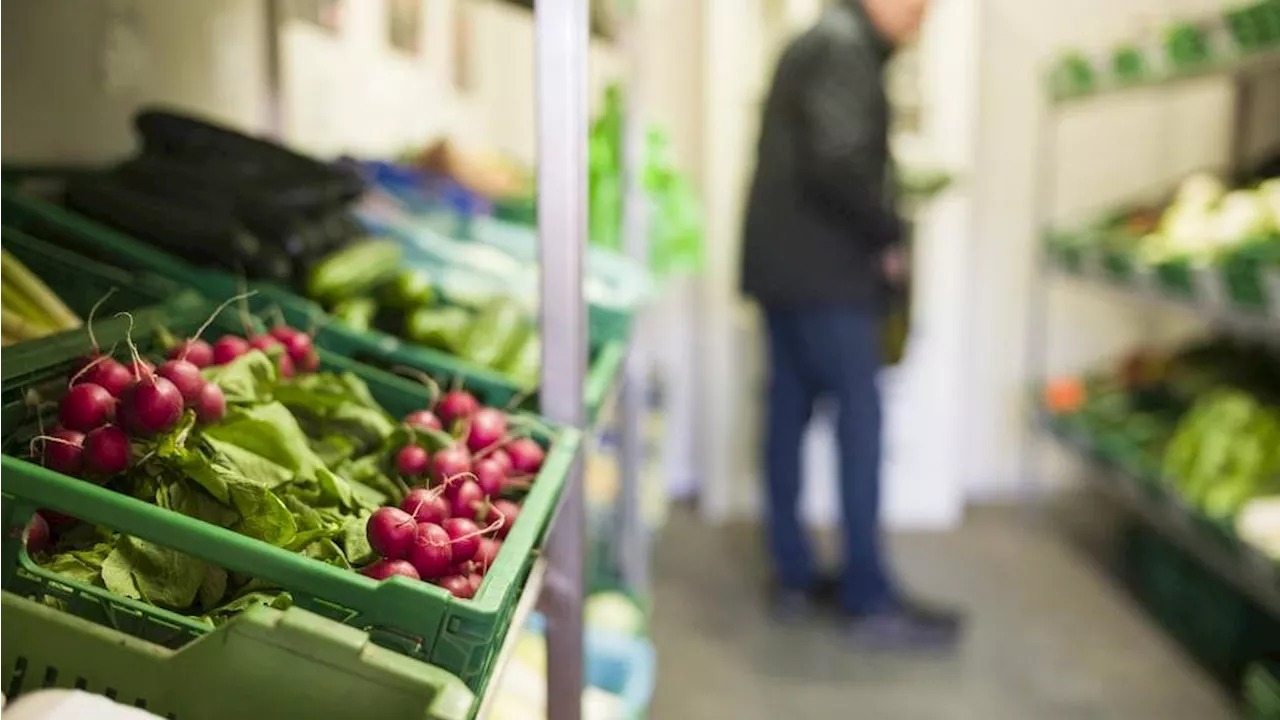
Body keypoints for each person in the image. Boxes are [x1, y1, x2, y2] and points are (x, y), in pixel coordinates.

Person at [740, 0, 961, 650]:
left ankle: (795, 577)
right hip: (827, 278)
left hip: (791, 273)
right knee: (858, 430)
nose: (925, 14)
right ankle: (867, 597)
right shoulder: (843, 46)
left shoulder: (819, 40)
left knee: (787, 418)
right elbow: (839, 161)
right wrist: (888, 233)